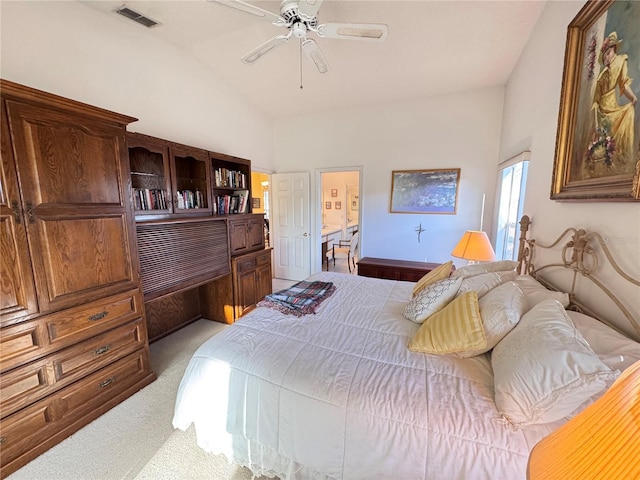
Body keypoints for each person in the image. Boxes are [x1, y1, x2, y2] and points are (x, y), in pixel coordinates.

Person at [586, 31, 638, 172]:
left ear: (614, 49)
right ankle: (604, 163)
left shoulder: (621, 61)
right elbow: (596, 100)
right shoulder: (601, 77)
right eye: (604, 57)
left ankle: (619, 160)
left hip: (612, 106)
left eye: (608, 53)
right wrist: (596, 114)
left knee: (619, 127)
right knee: (603, 137)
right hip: (602, 110)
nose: (606, 58)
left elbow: (623, 84)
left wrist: (632, 98)